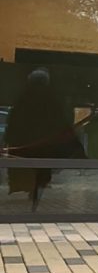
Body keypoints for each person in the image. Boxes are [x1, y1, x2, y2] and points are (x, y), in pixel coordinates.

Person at [5, 68, 85, 211]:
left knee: (31, 168)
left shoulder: (25, 98)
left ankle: (34, 195)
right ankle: (35, 195)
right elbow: (59, 119)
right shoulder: (50, 98)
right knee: (39, 169)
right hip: (42, 143)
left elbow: (15, 120)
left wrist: (10, 137)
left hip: (30, 142)